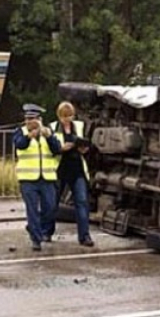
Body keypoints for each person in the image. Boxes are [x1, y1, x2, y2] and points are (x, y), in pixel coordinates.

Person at [13, 103, 62, 251]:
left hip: (47, 177)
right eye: (27, 119)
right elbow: (19, 145)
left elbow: (57, 149)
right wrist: (29, 136)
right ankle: (36, 239)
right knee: (32, 209)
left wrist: (49, 137)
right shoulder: (20, 132)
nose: (29, 122)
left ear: (40, 119)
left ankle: (38, 228)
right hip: (28, 178)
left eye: (33, 119)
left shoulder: (48, 131)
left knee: (50, 208)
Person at [50, 101, 94, 247]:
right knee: (53, 203)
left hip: (77, 168)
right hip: (59, 169)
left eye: (70, 116)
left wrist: (84, 149)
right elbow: (49, 149)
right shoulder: (52, 127)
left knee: (81, 202)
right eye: (64, 116)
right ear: (59, 116)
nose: (67, 119)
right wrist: (61, 149)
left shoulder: (79, 126)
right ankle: (47, 232)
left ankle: (84, 236)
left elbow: (88, 145)